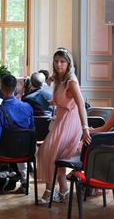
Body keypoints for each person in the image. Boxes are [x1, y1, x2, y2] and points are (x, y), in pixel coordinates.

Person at [36, 48, 89, 204]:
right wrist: (54, 101)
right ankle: (64, 190)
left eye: (63, 62)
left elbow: (81, 105)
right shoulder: (58, 79)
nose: (59, 64)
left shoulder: (71, 81)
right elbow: (63, 99)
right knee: (57, 157)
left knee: (47, 152)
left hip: (70, 121)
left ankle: (48, 191)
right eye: (56, 61)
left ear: (68, 63)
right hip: (61, 118)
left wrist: (85, 128)